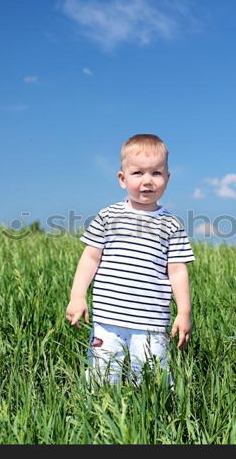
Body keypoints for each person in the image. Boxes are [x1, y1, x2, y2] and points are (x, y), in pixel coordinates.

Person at [65, 134, 195, 386]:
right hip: (107, 318)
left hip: (152, 321)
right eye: (138, 173)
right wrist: (78, 296)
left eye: (156, 173)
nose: (147, 181)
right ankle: (99, 420)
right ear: (122, 179)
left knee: (151, 382)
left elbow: (177, 271)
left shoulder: (171, 224)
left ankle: (151, 422)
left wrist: (184, 311)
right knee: (102, 380)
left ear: (167, 179)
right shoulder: (108, 216)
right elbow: (90, 257)